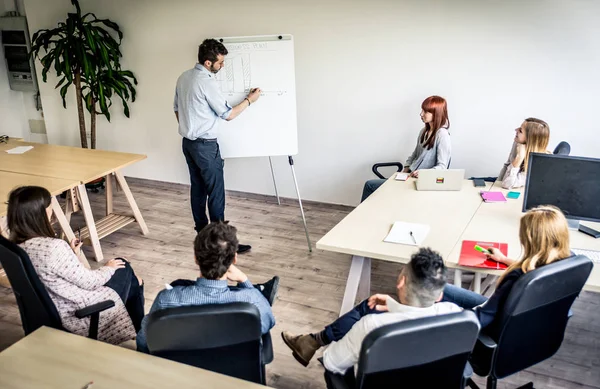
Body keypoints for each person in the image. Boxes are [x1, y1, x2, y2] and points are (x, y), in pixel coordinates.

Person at [281, 247, 461, 374]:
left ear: (401, 282)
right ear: (440, 295)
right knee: (370, 305)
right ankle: (311, 342)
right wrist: (394, 306)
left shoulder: (373, 327)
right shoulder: (458, 315)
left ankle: (313, 341)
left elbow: (331, 363)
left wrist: (350, 337)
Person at [6, 186, 144, 345]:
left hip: (50, 310)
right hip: (76, 312)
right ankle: (142, 337)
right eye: (50, 205)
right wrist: (108, 267)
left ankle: (141, 330)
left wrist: (71, 253)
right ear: (41, 213)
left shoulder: (15, 246)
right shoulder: (54, 247)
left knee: (134, 282)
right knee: (124, 267)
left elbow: (48, 272)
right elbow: (89, 281)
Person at [175, 39, 261, 254]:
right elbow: (228, 114)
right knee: (215, 193)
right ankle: (221, 243)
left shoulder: (184, 77)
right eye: (220, 63)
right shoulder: (206, 82)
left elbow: (176, 108)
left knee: (198, 189)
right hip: (205, 146)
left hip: (188, 143)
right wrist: (250, 100)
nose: (222, 67)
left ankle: (203, 236)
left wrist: (190, 125)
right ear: (207, 63)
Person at [136, 221, 277, 353]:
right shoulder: (252, 301)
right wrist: (244, 280)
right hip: (231, 375)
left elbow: (144, 342)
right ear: (234, 258)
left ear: (196, 258)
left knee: (178, 283)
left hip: (178, 373)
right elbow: (268, 322)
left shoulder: (166, 299)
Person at [442, 205, 571, 338]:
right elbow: (532, 268)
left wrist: (444, 324)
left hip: (497, 327)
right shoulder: (568, 263)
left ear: (528, 240)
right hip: (531, 328)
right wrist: (503, 259)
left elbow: (484, 316)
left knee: (440, 289)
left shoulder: (518, 277)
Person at [361, 95, 451, 202]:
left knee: (370, 185)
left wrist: (423, 173)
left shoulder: (442, 135)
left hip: (421, 181)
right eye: (422, 110)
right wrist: (406, 168)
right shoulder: (423, 132)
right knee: (372, 186)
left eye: (425, 111)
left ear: (436, 113)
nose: (421, 114)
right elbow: (414, 155)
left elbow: (442, 166)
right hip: (410, 176)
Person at [498, 117, 550, 189]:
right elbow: (507, 165)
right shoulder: (518, 142)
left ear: (530, 139)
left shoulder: (538, 163)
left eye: (520, 131)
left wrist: (519, 157)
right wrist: (497, 182)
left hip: (513, 184)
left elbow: (507, 184)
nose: (516, 130)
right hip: (505, 180)